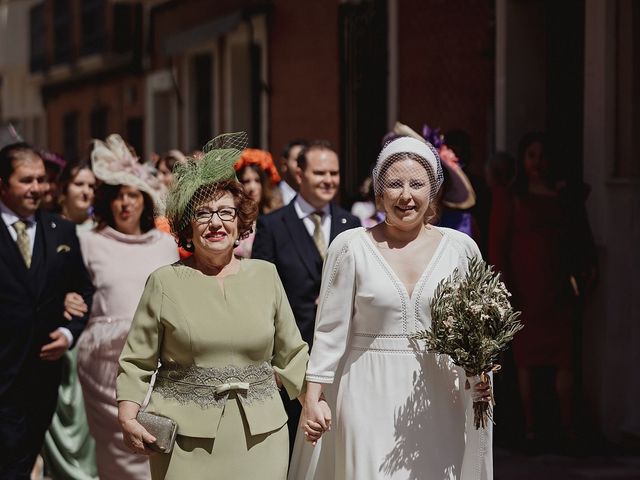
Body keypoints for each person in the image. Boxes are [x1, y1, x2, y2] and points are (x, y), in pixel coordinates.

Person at [289, 136, 493, 480]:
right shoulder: (351, 247)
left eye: (417, 184)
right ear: (379, 193)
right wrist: (312, 399)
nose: (405, 195)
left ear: (433, 191)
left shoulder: (461, 249)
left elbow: (476, 329)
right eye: (394, 184)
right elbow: (328, 332)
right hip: (364, 395)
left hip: (439, 399)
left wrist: (481, 373)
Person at [116, 132, 309, 479]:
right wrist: (128, 417)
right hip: (184, 441)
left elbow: (292, 353)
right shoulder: (164, 282)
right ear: (187, 226)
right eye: (203, 214)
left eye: (225, 212)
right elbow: (136, 361)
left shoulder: (266, 275)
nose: (216, 223)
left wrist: (313, 402)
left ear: (240, 222)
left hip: (262, 438)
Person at [76, 134, 178, 480]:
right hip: (102, 365)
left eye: (132, 195)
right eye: (118, 196)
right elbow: (72, 289)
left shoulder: (165, 244)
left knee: (154, 443)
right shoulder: (88, 241)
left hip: (156, 360)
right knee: (117, 453)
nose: (125, 203)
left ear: (144, 200)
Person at [252, 140, 360, 453]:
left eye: (335, 173)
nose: (329, 180)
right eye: (320, 172)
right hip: (289, 359)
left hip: (340, 356)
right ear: (299, 174)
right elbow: (263, 295)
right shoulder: (272, 225)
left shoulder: (350, 225)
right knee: (291, 445)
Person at [489, 132, 596, 445]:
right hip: (524, 289)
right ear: (523, 160)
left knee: (565, 358)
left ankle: (566, 428)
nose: (537, 162)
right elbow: (498, 246)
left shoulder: (563, 196)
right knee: (527, 361)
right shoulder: (512, 196)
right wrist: (504, 288)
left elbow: (578, 233)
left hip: (557, 290)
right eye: (531, 155)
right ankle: (531, 429)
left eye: (543, 155)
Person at [0, 142, 94, 479]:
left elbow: (83, 290)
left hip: (42, 377)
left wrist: (69, 333)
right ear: (2, 184)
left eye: (41, 180)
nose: (37, 188)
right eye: (26, 180)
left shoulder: (61, 231)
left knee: (22, 461)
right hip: (3, 372)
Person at [42, 159, 99, 479]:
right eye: (79, 184)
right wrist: (60, 295)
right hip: (62, 333)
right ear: (63, 190)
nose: (86, 192)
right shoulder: (46, 227)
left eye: (92, 186)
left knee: (87, 416)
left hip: (97, 334)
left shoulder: (104, 229)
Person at [234, 148, 283, 257]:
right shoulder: (231, 217)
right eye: (246, 181)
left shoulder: (276, 217)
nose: (252, 187)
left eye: (257, 180)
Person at [278, 139, 308, 205]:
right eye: (298, 160)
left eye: (306, 162)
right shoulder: (271, 195)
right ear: (284, 164)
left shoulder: (317, 197)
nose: (302, 166)